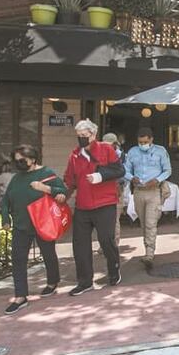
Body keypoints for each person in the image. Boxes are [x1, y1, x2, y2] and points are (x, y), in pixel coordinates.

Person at [0, 145, 67, 315]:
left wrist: (50, 190)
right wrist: (5, 218)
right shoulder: (16, 178)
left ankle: (52, 282)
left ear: (33, 159)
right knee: (18, 259)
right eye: (16, 161)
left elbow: (62, 191)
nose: (19, 163)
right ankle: (20, 296)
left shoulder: (46, 173)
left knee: (48, 254)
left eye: (22, 160)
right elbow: (5, 200)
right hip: (21, 225)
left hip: (42, 223)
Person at [64, 119, 123, 294]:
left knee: (106, 240)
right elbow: (69, 180)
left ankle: (114, 269)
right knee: (80, 245)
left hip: (105, 203)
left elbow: (119, 171)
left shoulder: (106, 149)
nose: (81, 138)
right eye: (79, 136)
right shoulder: (74, 156)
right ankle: (85, 282)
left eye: (85, 135)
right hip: (82, 206)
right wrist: (62, 195)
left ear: (93, 134)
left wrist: (100, 176)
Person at [124, 128, 172, 261]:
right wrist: (131, 178)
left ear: (151, 139)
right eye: (140, 142)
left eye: (145, 142)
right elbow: (125, 170)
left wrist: (157, 180)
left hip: (154, 191)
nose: (142, 144)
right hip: (139, 192)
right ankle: (147, 248)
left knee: (151, 223)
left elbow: (167, 170)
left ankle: (150, 253)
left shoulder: (160, 151)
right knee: (143, 223)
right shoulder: (132, 152)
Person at [101, 132, 125, 251]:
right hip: (103, 190)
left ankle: (114, 243)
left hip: (117, 189)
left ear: (115, 144)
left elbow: (122, 175)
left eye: (110, 145)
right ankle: (104, 244)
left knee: (114, 219)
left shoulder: (121, 156)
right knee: (102, 219)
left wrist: (118, 187)